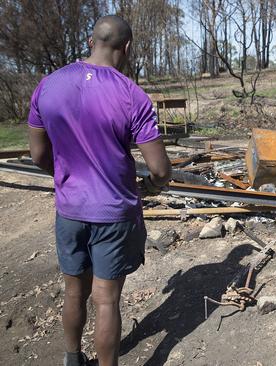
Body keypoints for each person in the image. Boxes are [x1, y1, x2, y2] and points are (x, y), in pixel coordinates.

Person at [27, 15, 171, 366]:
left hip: (70, 210)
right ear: (127, 47)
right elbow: (161, 169)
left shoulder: (48, 85)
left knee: (74, 291)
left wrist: (64, 176)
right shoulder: (132, 95)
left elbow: (38, 155)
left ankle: (72, 359)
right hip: (114, 212)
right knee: (106, 300)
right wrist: (148, 187)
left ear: (91, 42)